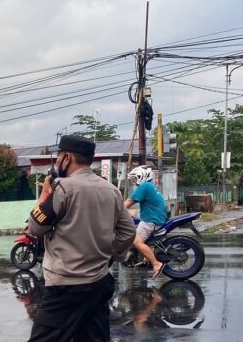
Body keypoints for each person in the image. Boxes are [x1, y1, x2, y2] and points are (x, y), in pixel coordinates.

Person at [27, 135, 136, 342]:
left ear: (66, 158)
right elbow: (128, 232)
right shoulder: (111, 190)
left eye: (59, 156)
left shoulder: (63, 188)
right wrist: (110, 255)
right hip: (99, 282)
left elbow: (35, 227)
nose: (58, 161)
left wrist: (45, 194)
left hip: (65, 285)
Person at [124, 165, 169, 279]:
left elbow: (128, 202)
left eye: (135, 179)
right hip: (154, 217)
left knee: (136, 241)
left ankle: (156, 263)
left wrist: (114, 209)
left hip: (151, 219)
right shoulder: (149, 186)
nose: (134, 182)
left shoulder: (144, 186)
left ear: (141, 177)